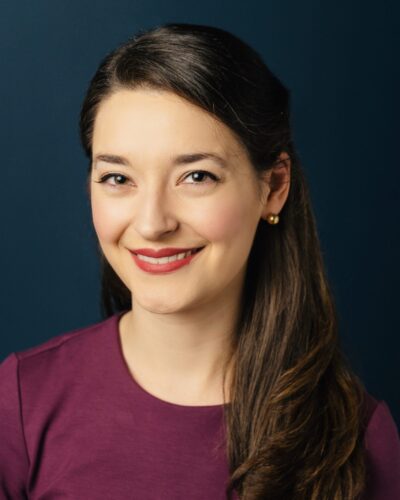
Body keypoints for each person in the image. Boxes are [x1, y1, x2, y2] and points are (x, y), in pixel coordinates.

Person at [0, 22, 399, 500]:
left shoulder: (358, 437)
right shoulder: (20, 401)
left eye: (196, 176)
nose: (152, 223)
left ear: (273, 187)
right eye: (117, 178)